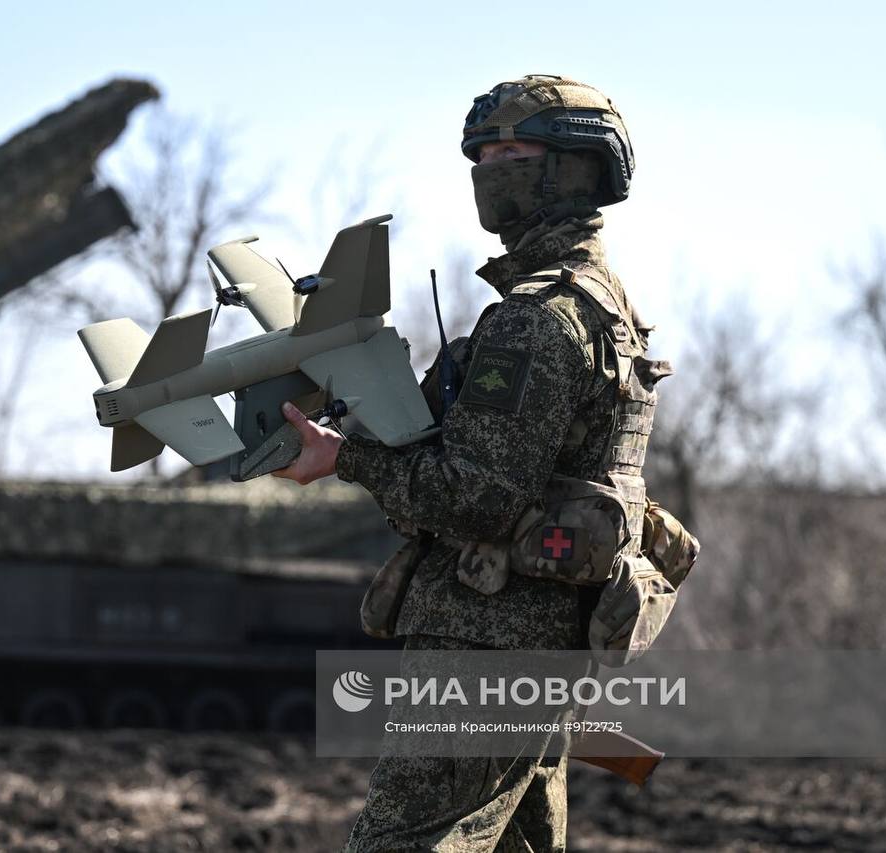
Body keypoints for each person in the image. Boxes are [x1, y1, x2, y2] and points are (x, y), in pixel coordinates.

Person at [275, 74, 659, 852]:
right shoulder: (601, 304)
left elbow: (476, 496)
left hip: (486, 645)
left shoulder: (536, 321)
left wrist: (346, 459)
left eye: (512, 150)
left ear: (574, 166)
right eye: (481, 154)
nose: (490, 167)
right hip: (537, 641)